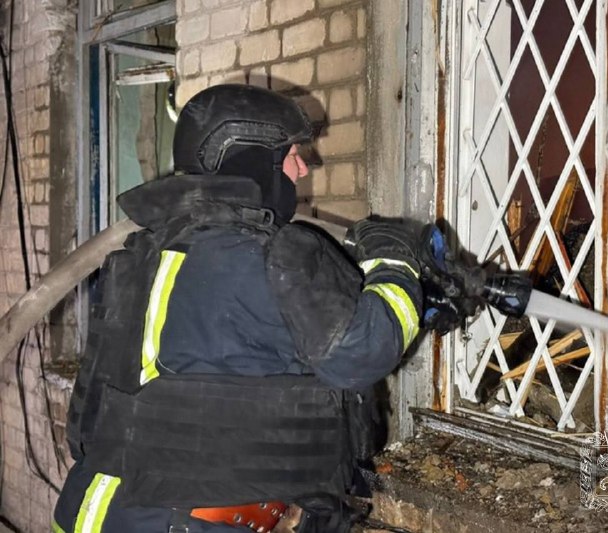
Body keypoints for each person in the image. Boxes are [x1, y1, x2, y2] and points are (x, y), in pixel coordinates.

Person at [52, 84, 426, 533]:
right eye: (292, 155)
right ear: (253, 158)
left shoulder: (150, 253)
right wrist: (396, 262)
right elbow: (362, 351)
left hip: (95, 508)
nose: (302, 169)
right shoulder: (271, 255)